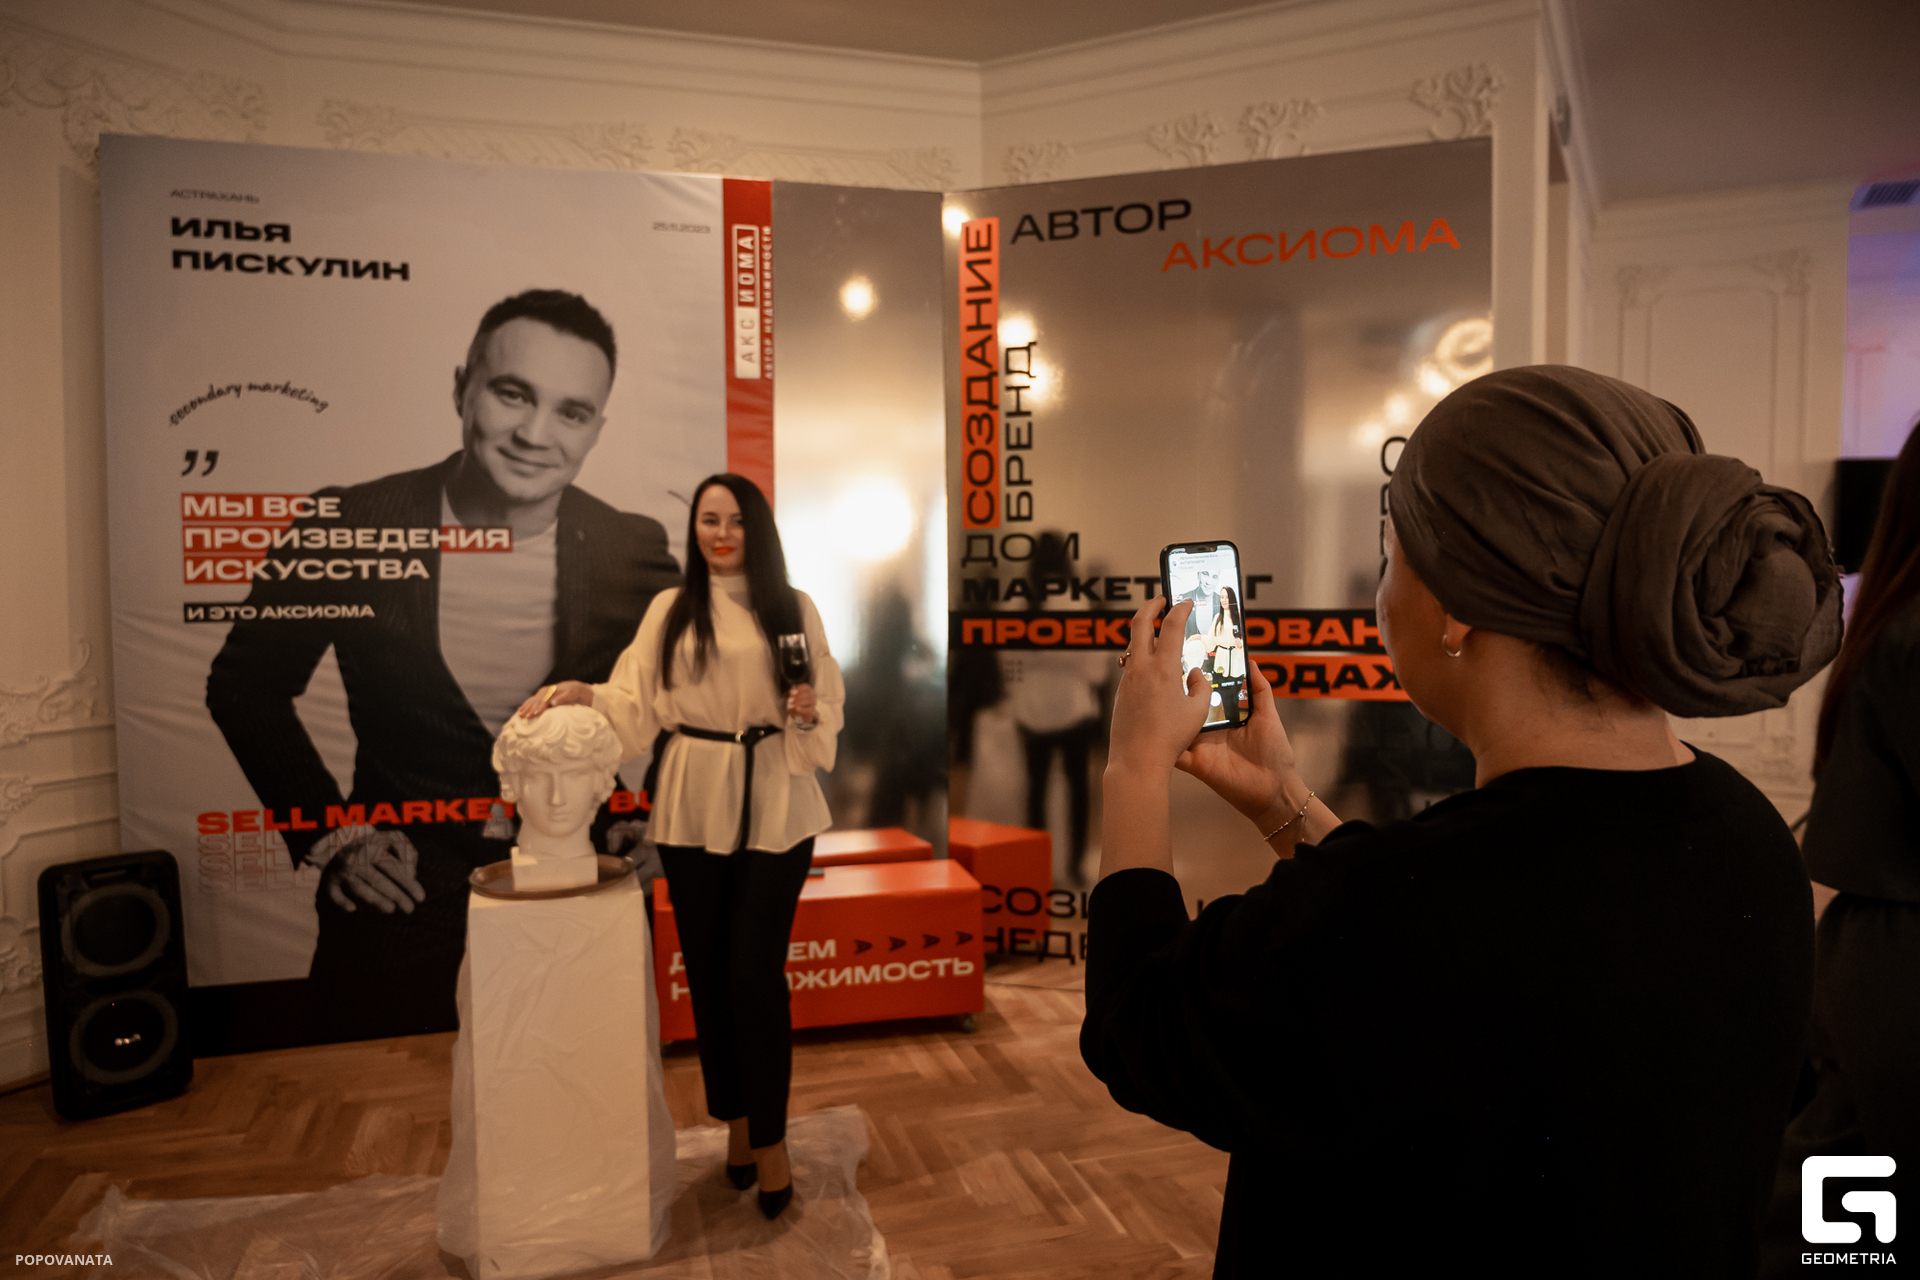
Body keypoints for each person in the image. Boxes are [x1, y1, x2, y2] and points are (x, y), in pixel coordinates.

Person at [1080, 366, 1841, 1277]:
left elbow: (1137, 1022)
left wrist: (1133, 767)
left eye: (1391, 554)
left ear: (1457, 610)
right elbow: (1461, 952)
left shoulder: (1391, 913)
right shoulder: (1753, 840)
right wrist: (1284, 801)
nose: (1381, 588)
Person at [206, 288, 681, 1041]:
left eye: (571, 412)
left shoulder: (632, 545)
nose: (535, 434)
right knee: (375, 1100)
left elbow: (692, 693)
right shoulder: (350, 523)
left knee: (575, 1087)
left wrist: (664, 819)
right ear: (462, 388)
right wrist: (335, 837)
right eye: (512, 393)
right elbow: (245, 688)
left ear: (596, 430)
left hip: (578, 881)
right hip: (397, 900)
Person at [521, 473, 842, 1221]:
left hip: (776, 796)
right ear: (694, 528)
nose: (721, 534)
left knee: (754, 973)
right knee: (709, 972)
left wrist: (806, 711)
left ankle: (771, 1139)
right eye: (709, 520)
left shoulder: (793, 606)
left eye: (735, 521)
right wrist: (585, 693)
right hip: (694, 796)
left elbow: (825, 699)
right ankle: (736, 1123)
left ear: (757, 528)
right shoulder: (672, 608)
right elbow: (635, 702)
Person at [1760, 421, 1920, 1275]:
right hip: (1896, 964)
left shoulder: (1897, 625)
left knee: (1848, 1210)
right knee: (1850, 1221)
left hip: (1878, 958)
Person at [1202, 583, 1245, 725]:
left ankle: (1235, 724)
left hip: (1236, 662)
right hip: (1221, 661)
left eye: (1226, 597)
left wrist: (1240, 644)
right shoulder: (1217, 618)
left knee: (1234, 698)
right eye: (1221, 597)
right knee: (1225, 698)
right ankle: (1230, 724)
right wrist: (1199, 638)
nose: (1224, 600)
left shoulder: (1239, 617)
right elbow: (1211, 640)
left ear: (1232, 599)